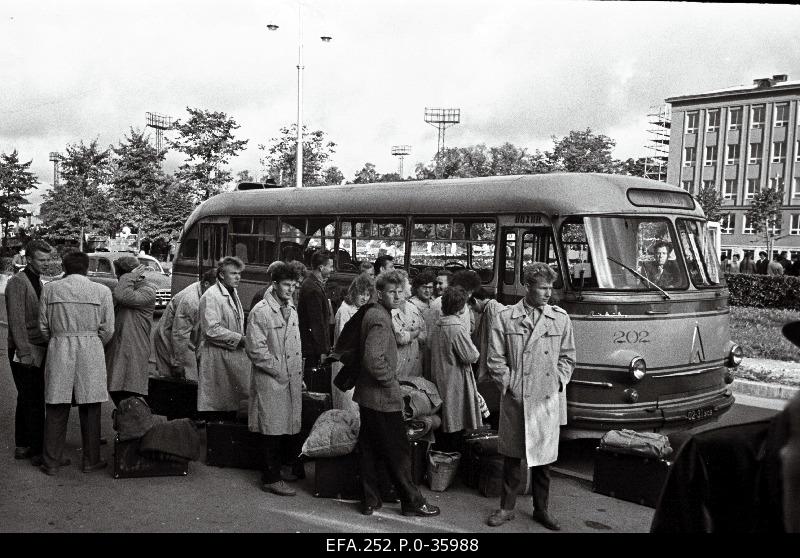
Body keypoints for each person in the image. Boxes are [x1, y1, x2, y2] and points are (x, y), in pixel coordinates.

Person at [486, 263, 576, 530]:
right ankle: (506, 508)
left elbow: (568, 357)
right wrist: (511, 383)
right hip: (517, 396)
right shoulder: (505, 317)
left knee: (543, 461)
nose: (548, 293)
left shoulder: (560, 318)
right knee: (513, 458)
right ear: (528, 287)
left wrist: (558, 381)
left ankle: (541, 509)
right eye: (542, 287)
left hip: (546, 398)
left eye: (550, 287)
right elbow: (494, 359)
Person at [354, 270, 440, 517]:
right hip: (382, 397)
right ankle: (412, 502)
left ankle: (371, 501)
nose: (397, 296)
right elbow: (374, 360)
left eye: (400, 291)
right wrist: (391, 383)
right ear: (379, 293)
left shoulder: (374, 312)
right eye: (391, 291)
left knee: (369, 448)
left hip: (367, 396)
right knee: (399, 451)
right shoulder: (381, 319)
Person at [38, 251, 115, 476]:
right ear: (87, 268)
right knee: (91, 405)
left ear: (64, 266)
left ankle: (51, 460)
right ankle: (91, 460)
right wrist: (93, 340)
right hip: (90, 346)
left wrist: (57, 339)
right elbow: (108, 328)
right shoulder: (102, 291)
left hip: (60, 346)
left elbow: (43, 326)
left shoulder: (50, 289)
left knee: (56, 403)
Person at [246, 263, 304, 497]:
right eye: (287, 285)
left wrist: (295, 375)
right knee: (271, 429)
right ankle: (271, 477)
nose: (291, 289)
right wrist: (278, 370)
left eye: (293, 285)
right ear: (275, 285)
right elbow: (255, 349)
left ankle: (282, 470)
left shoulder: (291, 307)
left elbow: (295, 345)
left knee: (283, 427)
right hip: (271, 379)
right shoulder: (261, 311)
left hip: (288, 378)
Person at [6, 239, 52, 463]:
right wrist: (24, 352)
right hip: (24, 349)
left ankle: (23, 444)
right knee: (32, 398)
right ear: (29, 259)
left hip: (36, 348)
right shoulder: (18, 282)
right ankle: (35, 448)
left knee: (27, 397)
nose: (46, 263)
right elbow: (16, 321)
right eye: (41, 260)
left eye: (47, 259)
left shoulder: (38, 281)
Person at [197, 256, 251, 421]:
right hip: (216, 357)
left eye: (239, 274)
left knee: (228, 404)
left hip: (229, 358)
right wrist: (240, 339)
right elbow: (211, 330)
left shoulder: (232, 292)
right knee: (218, 407)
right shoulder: (212, 296)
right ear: (221, 275)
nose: (238, 277)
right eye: (233, 273)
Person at [429, 286, 481, 452]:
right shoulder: (456, 327)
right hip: (455, 381)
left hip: (439, 378)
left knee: (443, 426)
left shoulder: (438, 325)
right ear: (461, 307)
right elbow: (471, 356)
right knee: (455, 425)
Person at [105, 256, 156, 407]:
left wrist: (130, 275)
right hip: (121, 347)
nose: (118, 278)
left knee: (129, 391)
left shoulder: (147, 291)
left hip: (133, 348)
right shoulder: (130, 287)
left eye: (119, 275)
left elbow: (123, 296)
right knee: (116, 388)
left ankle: (133, 427)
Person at [151, 269, 216, 381]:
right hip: (168, 340)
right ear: (206, 284)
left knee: (187, 380)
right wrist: (178, 363)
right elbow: (180, 334)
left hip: (184, 341)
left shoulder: (204, 291)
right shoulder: (191, 301)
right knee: (174, 381)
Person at [330, 273, 374, 411]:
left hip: (357, 364)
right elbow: (345, 342)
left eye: (367, 294)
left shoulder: (362, 310)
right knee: (347, 405)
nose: (365, 298)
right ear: (354, 292)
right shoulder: (344, 311)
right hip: (345, 363)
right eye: (361, 293)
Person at [298, 251, 333, 368]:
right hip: (312, 347)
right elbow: (316, 322)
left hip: (312, 345)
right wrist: (322, 350)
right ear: (321, 267)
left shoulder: (313, 284)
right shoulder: (313, 288)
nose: (332, 269)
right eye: (330, 266)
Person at [392, 270, 426, 379]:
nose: (410, 286)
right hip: (399, 365)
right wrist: (415, 333)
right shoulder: (390, 310)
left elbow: (424, 333)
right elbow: (400, 338)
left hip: (414, 366)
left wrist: (412, 334)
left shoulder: (412, 307)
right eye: (408, 283)